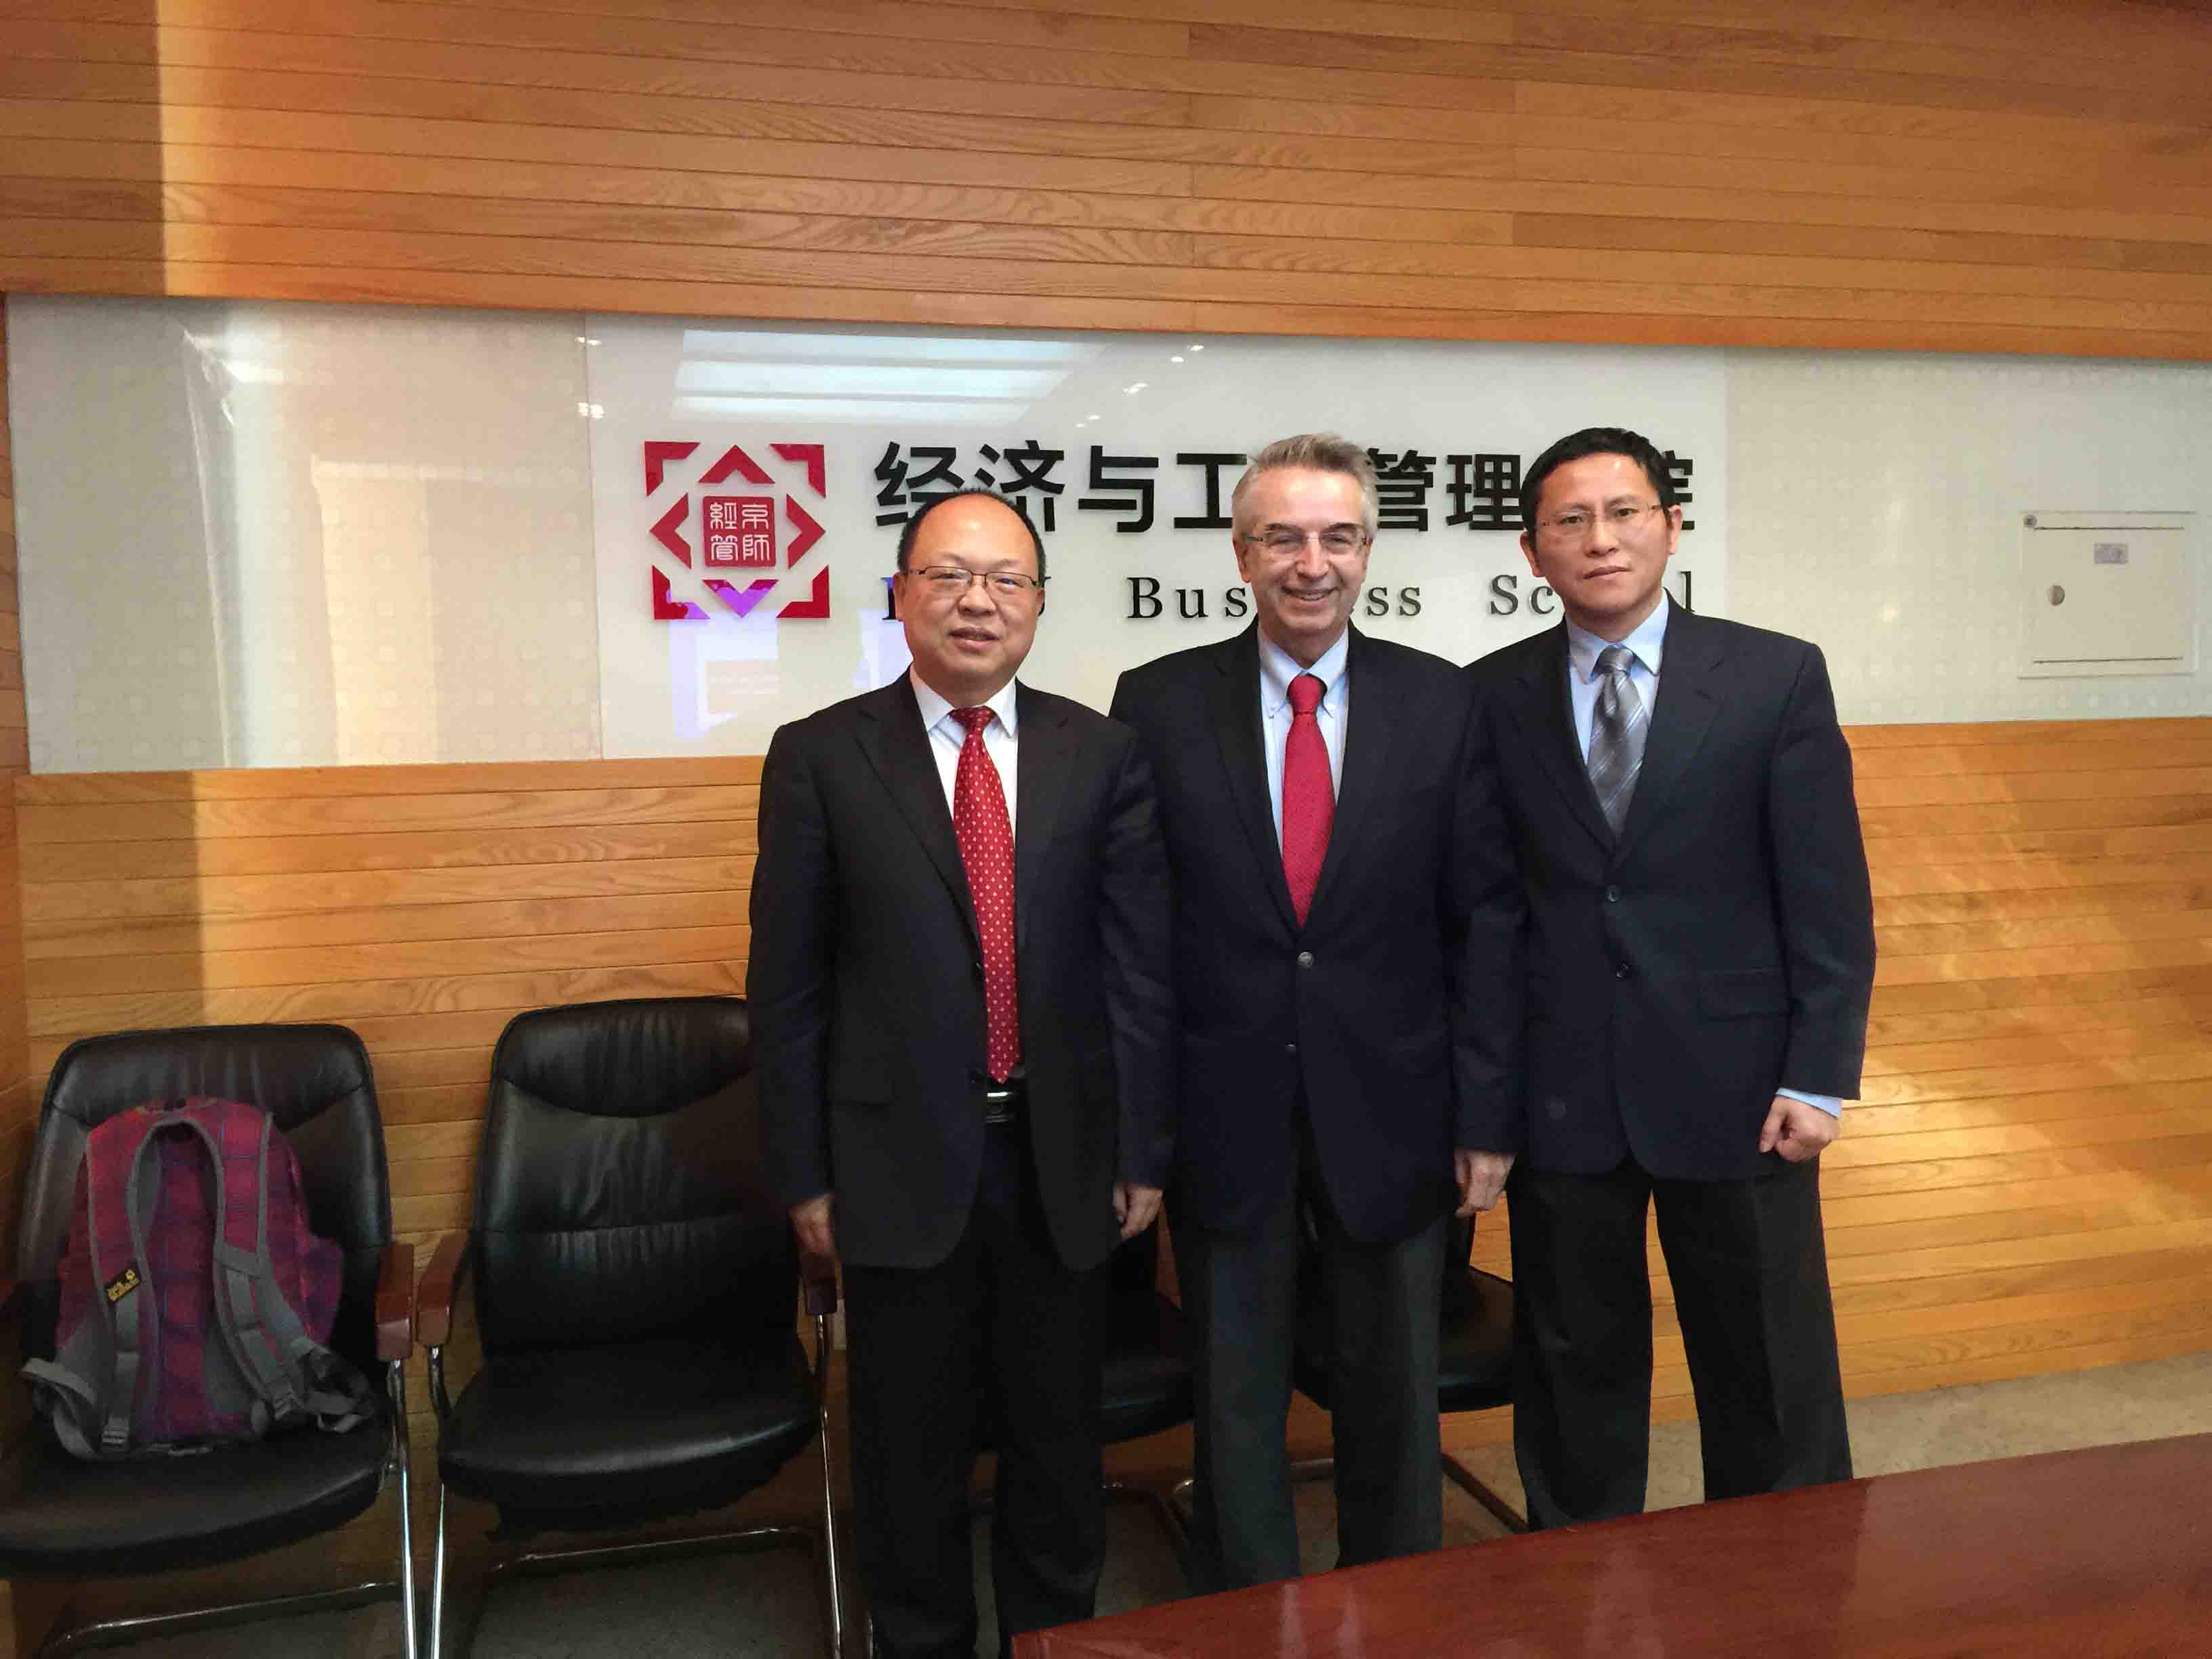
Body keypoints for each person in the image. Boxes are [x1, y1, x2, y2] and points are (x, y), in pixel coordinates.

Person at [749, 489, 1174, 1658]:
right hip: (892, 1163)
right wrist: (803, 1175)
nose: (978, 602)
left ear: (1038, 602)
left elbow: (1141, 973)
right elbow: (786, 987)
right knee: (909, 1449)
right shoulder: (822, 757)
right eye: (948, 575)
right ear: (900, 596)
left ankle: (1053, 1638)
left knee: (1058, 1438)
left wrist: (1144, 1148)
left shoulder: (1102, 753)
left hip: (1061, 1155)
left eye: (1006, 579)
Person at [1109, 434, 1515, 1591]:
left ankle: (1399, 1595)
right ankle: (1246, 1601)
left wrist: (1487, 1116)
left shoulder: (1443, 700)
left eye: (1339, 537)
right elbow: (1135, 936)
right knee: (1235, 1385)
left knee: (1395, 1384)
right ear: (1241, 554)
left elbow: (1485, 919)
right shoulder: (1158, 702)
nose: (1312, 563)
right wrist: (1139, 1134)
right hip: (1222, 1103)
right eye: (1283, 538)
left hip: (1397, 1101)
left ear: (1368, 552)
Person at [1461, 425, 1875, 1528]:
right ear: (1532, 550)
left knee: (1768, 1366)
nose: (1601, 539)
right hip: (1564, 1091)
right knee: (1574, 1372)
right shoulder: (1489, 696)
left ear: (1671, 526)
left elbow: (1828, 894)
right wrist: (1487, 1102)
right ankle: (1579, 1582)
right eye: (1570, 521)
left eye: (1624, 512)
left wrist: (1820, 1073)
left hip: (1744, 1087)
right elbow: (1488, 918)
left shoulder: (1775, 675)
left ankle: (1785, 1584)